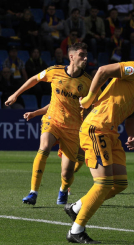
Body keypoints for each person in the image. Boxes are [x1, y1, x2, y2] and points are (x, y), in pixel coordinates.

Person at [63, 40, 134, 244]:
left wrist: (132, 134)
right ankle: (76, 231)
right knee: (103, 184)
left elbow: (132, 112)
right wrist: (90, 98)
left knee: (119, 183)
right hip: (97, 128)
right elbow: (102, 70)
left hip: (111, 132)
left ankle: (76, 208)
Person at [4, 43, 92, 206]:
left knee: (66, 173)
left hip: (73, 128)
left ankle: (64, 189)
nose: (85, 58)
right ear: (71, 56)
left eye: (86, 55)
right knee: (44, 147)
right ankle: (33, 192)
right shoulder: (55, 71)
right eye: (82, 55)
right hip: (53, 120)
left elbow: (94, 105)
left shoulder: (88, 82)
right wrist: (16, 94)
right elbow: (34, 79)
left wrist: (85, 106)